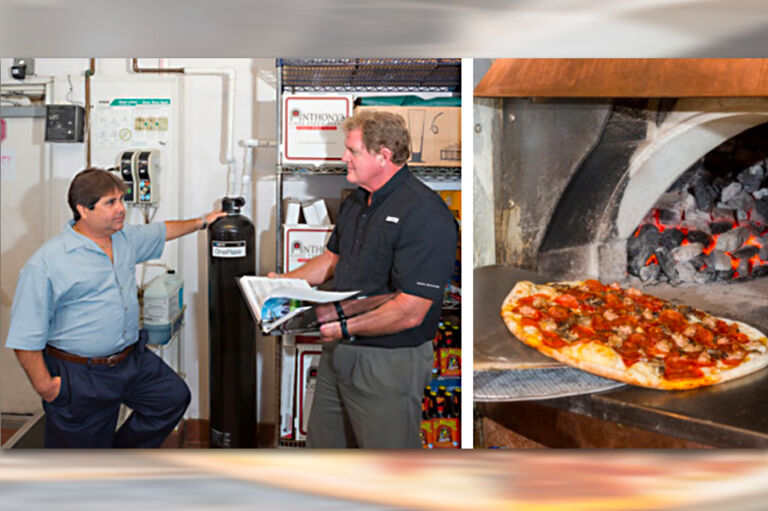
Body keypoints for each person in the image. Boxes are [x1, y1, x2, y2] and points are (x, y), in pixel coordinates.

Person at [270, 111, 458, 448]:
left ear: (383, 156)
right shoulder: (357, 200)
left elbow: (411, 310)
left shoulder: (426, 215)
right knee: (324, 455)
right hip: (340, 352)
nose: (344, 158)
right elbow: (332, 259)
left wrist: (342, 328)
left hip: (387, 360)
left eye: (352, 151)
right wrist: (279, 284)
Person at [5, 168, 226, 448]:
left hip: (130, 360)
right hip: (81, 373)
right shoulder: (47, 264)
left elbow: (162, 230)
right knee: (78, 465)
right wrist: (46, 387)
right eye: (110, 203)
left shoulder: (124, 239)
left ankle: (119, 458)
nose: (121, 209)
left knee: (171, 397)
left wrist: (202, 221)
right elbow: (25, 337)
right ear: (83, 209)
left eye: (122, 199)